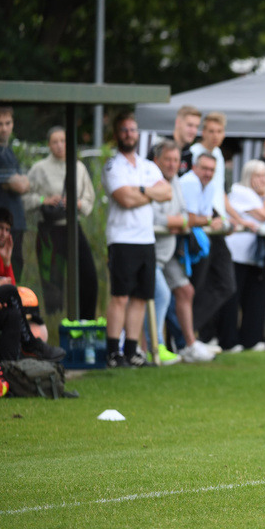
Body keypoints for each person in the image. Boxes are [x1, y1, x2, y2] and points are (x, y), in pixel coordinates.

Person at [102, 114, 172, 367]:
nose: (129, 134)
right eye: (124, 130)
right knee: (120, 296)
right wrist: (149, 193)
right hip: (122, 239)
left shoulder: (148, 166)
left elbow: (167, 192)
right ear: (117, 134)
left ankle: (131, 351)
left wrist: (140, 190)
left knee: (141, 297)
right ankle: (114, 352)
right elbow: (125, 199)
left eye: (133, 130)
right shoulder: (113, 166)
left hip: (146, 239)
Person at [24, 125, 97, 319]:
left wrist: (76, 203)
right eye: (55, 142)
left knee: (88, 277)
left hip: (72, 227)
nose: (59, 145)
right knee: (52, 282)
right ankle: (53, 325)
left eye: (63, 141)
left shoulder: (78, 167)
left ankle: (85, 323)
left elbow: (89, 199)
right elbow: (24, 198)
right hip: (49, 230)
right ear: (49, 145)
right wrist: (44, 200)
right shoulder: (39, 168)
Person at [151, 140, 214, 363]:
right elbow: (152, 217)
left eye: (175, 160)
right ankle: (154, 347)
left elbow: (185, 214)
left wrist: (181, 220)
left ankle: (189, 345)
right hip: (150, 252)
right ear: (156, 160)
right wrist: (177, 221)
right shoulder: (151, 181)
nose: (172, 164)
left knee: (185, 291)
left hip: (168, 252)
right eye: (167, 159)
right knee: (159, 295)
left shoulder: (176, 181)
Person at [0, 209, 66, 362]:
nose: (3, 234)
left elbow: (9, 287)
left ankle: (10, 368)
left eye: (7, 230)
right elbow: (4, 289)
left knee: (12, 314)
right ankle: (30, 343)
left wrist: (7, 261)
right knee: (10, 292)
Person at [181, 152, 236, 350]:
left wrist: (216, 221)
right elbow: (192, 218)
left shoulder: (209, 185)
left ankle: (188, 336)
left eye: (211, 170)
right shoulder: (190, 182)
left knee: (206, 288)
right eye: (204, 168)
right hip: (185, 244)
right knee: (187, 291)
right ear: (194, 167)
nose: (208, 173)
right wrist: (212, 221)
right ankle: (184, 338)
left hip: (199, 244)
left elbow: (203, 218)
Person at [225, 159, 265, 352]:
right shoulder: (240, 191)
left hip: (256, 257)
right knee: (233, 299)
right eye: (257, 175)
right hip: (237, 255)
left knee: (256, 298)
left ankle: (252, 338)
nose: (262, 180)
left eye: (264, 175)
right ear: (248, 176)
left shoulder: (263, 197)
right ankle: (229, 340)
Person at [0, 106, 29, 280]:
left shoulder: (7, 150)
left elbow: (24, 183)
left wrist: (20, 181)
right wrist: (19, 181)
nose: (4, 128)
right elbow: (20, 185)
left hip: (14, 222)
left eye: (8, 123)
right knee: (2, 274)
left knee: (15, 269)